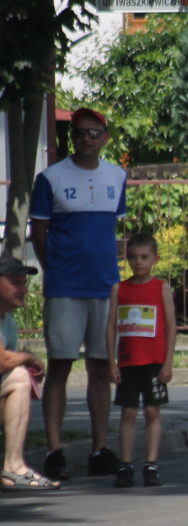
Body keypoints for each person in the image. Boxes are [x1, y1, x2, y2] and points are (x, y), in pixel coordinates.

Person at [29, 107, 127, 482]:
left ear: (104, 137)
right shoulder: (50, 178)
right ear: (73, 137)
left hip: (105, 286)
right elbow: (40, 232)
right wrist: (52, 268)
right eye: (79, 132)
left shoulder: (117, 176)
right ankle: (54, 451)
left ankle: (99, 449)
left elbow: (110, 230)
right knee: (60, 367)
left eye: (93, 132)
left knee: (101, 369)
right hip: (66, 287)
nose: (86, 137)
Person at [105, 234, 176, 488]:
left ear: (155, 259)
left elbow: (170, 326)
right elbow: (111, 326)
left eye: (144, 257)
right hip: (127, 362)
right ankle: (125, 465)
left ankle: (151, 464)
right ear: (126, 259)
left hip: (154, 362)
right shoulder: (119, 289)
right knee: (128, 412)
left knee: (152, 410)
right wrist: (112, 362)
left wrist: (168, 363)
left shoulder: (161, 288)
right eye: (133, 257)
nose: (138, 262)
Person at [0, 255, 55, 492]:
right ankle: (13, 468)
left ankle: (14, 467)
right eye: (16, 282)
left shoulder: (8, 321)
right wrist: (30, 357)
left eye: (24, 282)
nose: (24, 289)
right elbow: (3, 361)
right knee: (20, 376)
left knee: (20, 377)